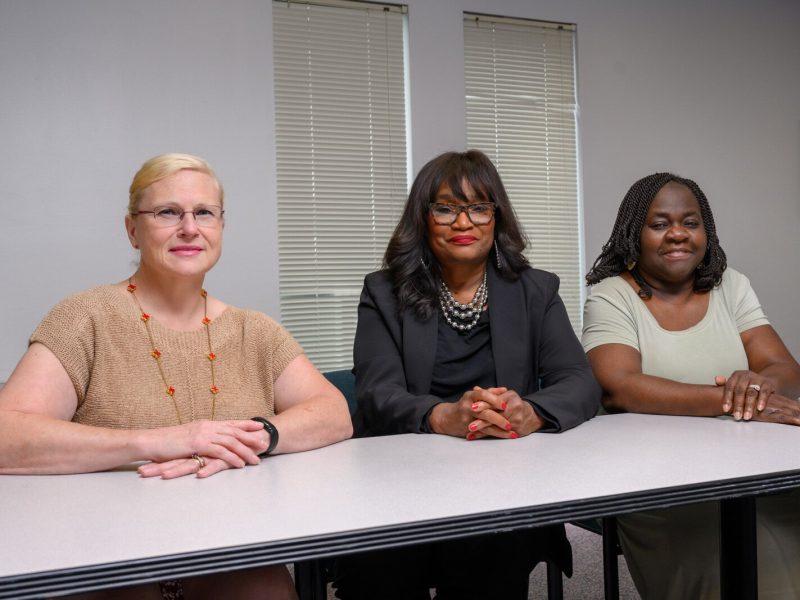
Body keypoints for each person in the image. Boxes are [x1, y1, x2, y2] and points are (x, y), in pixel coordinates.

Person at [0, 153, 353, 600]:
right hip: (110, 557)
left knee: (264, 588)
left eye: (204, 212)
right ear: (132, 229)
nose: (190, 227)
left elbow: (334, 412)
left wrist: (260, 435)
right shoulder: (84, 317)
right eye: (168, 212)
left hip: (230, 554)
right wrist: (155, 440)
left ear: (220, 226)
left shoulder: (255, 330)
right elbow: (6, 434)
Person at [334, 150, 601, 600]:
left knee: (493, 559)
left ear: (497, 217)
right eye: (446, 208)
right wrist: (442, 416)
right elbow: (377, 393)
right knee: (385, 570)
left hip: (499, 481)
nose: (464, 223)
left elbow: (579, 380)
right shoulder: (383, 291)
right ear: (423, 218)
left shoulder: (536, 290)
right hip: (400, 481)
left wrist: (529, 412)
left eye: (479, 207)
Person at [583, 172, 800, 599]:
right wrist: (733, 400)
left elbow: (784, 369)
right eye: (659, 223)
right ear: (634, 233)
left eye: (690, 222)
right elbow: (621, 387)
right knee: (753, 568)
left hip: (748, 466)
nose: (678, 233)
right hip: (659, 478)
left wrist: (755, 386)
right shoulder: (611, 295)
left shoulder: (731, 286)